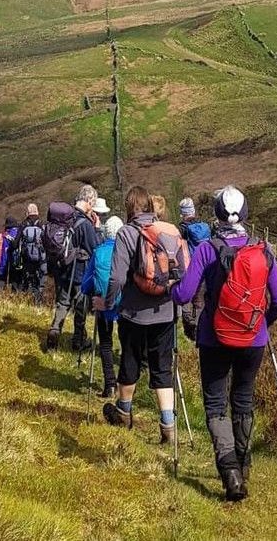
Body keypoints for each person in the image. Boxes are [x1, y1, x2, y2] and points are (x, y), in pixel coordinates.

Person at [170, 185, 277, 503]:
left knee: (216, 404)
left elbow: (183, 294)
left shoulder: (208, 249)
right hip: (254, 337)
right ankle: (243, 465)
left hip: (214, 337)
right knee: (244, 401)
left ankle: (230, 473)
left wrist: (170, 287)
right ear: (246, 214)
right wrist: (262, 323)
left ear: (217, 215)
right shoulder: (263, 250)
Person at [94, 185, 188, 445]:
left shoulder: (127, 233)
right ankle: (168, 425)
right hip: (166, 312)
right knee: (162, 367)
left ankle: (124, 412)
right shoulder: (168, 232)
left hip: (134, 314)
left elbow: (116, 278)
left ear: (129, 207)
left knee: (130, 361)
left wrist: (108, 304)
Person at [45, 185, 100, 351]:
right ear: (89, 201)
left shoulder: (66, 218)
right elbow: (95, 247)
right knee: (81, 307)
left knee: (63, 303)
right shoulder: (85, 223)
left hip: (62, 269)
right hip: (80, 271)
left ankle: (55, 330)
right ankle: (78, 341)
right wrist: (97, 229)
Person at [80, 211, 123, 398]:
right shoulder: (126, 251)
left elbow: (85, 284)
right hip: (124, 304)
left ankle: (109, 385)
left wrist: (92, 292)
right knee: (126, 344)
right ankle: (126, 385)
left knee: (105, 344)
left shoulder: (98, 252)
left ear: (105, 233)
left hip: (102, 301)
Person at [177, 196, 211, 341]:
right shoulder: (206, 227)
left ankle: (189, 328)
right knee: (199, 299)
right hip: (206, 266)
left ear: (183, 213)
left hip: (189, 266)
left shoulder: (183, 229)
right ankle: (199, 330)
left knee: (186, 298)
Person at [14, 202, 47, 303]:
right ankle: (38, 302)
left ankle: (25, 301)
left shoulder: (23, 225)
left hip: (27, 258)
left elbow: (15, 243)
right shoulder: (42, 224)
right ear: (37, 212)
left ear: (27, 213)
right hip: (40, 259)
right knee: (39, 282)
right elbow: (47, 242)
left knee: (26, 280)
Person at [0, 215, 21, 290]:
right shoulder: (19, 234)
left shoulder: (2, 236)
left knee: (1, 281)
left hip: (2, 263)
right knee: (15, 283)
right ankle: (16, 299)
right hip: (16, 263)